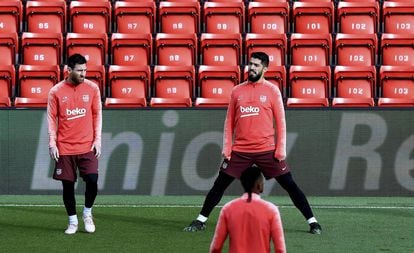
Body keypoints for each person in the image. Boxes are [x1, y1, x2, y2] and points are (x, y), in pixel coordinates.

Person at [184, 52, 322, 234]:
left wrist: (280, 149)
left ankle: (313, 222)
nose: (252, 68)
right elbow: (229, 122)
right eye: (250, 64)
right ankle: (200, 220)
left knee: (290, 184)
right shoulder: (237, 91)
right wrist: (227, 148)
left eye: (256, 65)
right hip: (240, 151)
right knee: (219, 185)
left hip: (267, 150)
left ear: (265, 69)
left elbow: (281, 122)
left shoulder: (272, 91)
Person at [47, 53, 102, 235]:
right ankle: (72, 221)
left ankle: (87, 213)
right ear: (69, 70)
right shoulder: (55, 91)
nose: (83, 74)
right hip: (65, 147)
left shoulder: (93, 88)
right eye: (80, 71)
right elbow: (51, 119)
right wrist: (52, 143)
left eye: (85, 70)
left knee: (93, 180)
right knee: (67, 186)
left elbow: (97, 115)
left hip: (87, 146)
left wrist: (98, 140)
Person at [210, 166, 286, 253]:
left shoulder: (228, 208)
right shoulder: (271, 210)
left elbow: (216, 247)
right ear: (259, 184)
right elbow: (280, 249)